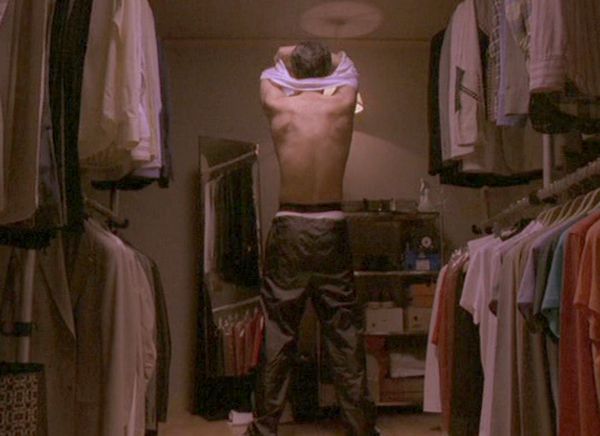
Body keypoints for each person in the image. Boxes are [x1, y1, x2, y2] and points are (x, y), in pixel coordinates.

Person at [244, 41, 377, 436]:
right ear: (328, 73)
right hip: (330, 226)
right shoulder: (343, 103)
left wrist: (290, 58)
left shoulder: (277, 104)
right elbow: (344, 61)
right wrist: (324, 61)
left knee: (279, 333)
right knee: (344, 333)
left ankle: (263, 430)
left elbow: (273, 62)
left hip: (291, 227)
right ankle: (360, 429)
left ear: (293, 72)